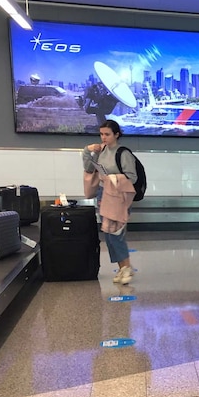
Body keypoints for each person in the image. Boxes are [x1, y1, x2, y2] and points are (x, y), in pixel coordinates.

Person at [82, 119, 138, 285]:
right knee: (108, 233)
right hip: (104, 194)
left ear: (116, 135)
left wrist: (111, 178)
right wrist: (88, 151)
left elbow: (132, 177)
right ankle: (122, 268)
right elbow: (89, 168)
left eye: (107, 134)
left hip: (119, 197)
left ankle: (126, 267)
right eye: (101, 134)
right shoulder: (102, 150)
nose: (103, 137)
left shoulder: (123, 153)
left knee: (117, 233)